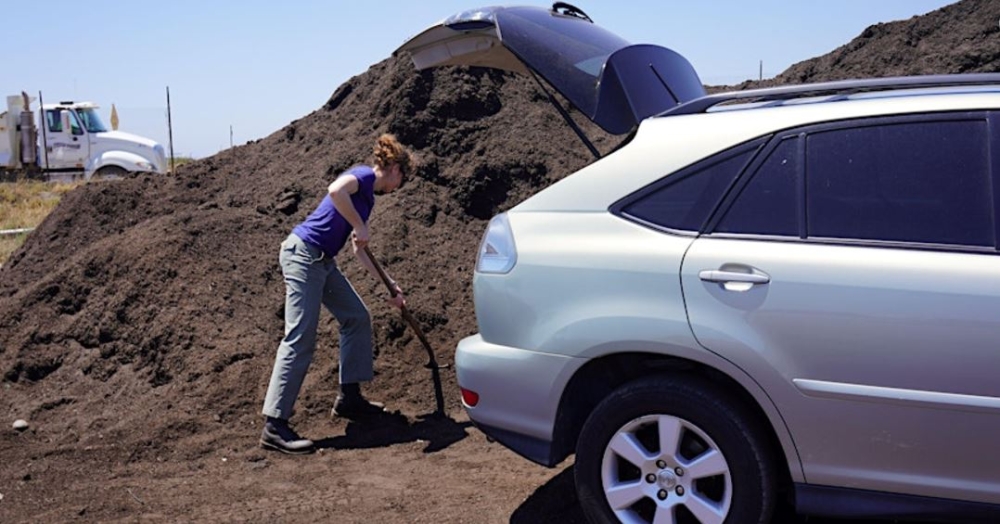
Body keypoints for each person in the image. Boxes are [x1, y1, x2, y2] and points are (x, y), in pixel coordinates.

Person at [260, 133, 414, 455]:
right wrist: (358, 224)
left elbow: (360, 250)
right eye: (402, 179)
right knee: (300, 336)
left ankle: (350, 399)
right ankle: (274, 425)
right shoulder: (363, 176)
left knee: (356, 317)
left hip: (322, 262)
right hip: (303, 255)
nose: (398, 188)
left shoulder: (368, 198)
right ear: (395, 169)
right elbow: (335, 190)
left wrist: (389, 284)